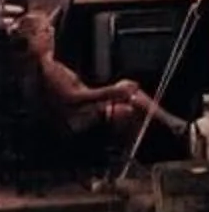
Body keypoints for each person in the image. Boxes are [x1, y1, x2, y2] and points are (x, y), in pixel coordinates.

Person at [14, 9, 187, 153]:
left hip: (85, 112)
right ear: (32, 38)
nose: (51, 33)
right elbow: (71, 97)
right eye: (45, 30)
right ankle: (131, 157)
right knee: (128, 107)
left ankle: (172, 124)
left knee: (129, 92)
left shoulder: (47, 65)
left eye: (51, 28)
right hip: (77, 121)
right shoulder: (48, 68)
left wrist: (114, 92)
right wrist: (112, 91)